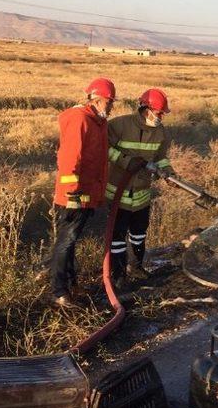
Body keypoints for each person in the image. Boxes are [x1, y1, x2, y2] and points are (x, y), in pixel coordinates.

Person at [49, 77, 116, 306]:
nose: (111, 106)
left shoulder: (98, 121)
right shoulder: (80, 119)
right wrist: (72, 195)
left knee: (71, 240)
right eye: (109, 101)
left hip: (87, 194)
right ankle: (59, 292)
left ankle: (70, 285)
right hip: (74, 196)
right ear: (96, 99)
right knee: (66, 242)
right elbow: (70, 159)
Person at [106, 87, 173, 285]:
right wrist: (126, 161)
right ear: (146, 108)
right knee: (117, 237)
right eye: (159, 112)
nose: (161, 116)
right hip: (118, 192)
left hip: (142, 194)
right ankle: (118, 274)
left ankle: (135, 267)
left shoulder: (161, 133)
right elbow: (103, 147)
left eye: (163, 113)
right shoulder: (120, 125)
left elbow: (161, 159)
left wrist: (169, 173)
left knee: (139, 234)